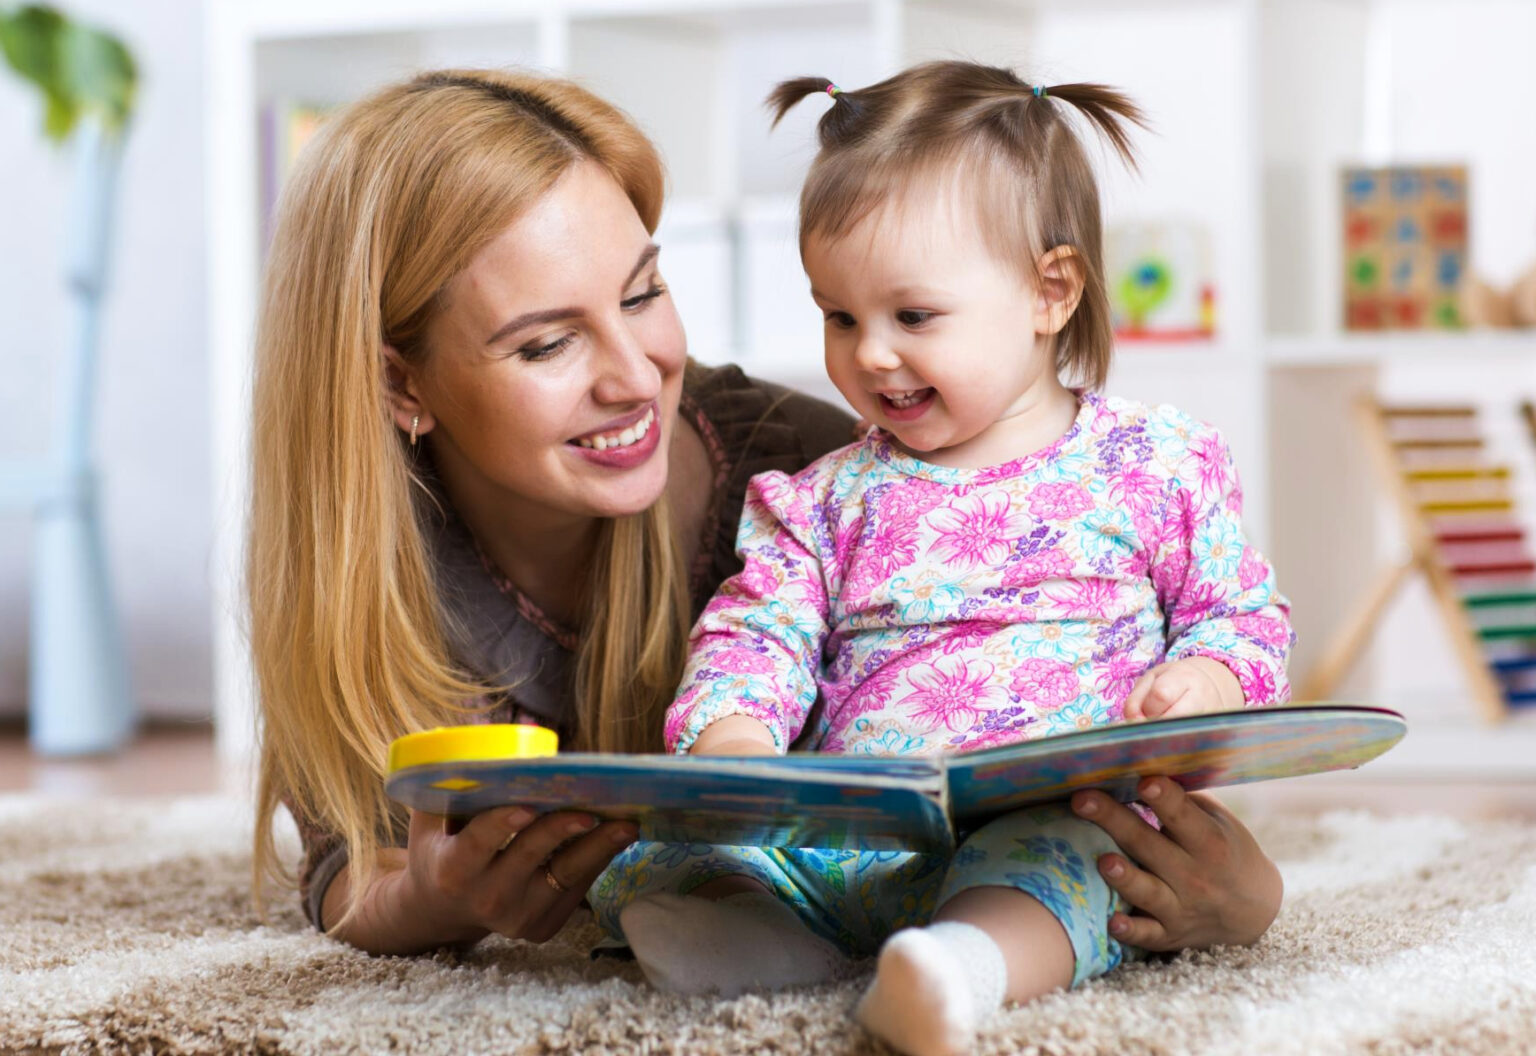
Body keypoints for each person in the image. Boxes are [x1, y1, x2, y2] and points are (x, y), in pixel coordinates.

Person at [246, 66, 1285, 969]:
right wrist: (429, 902)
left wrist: (1244, 897)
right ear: (399, 385)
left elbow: (1217, 633)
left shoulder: (796, 455)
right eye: (545, 344)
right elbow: (349, 857)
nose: (634, 374)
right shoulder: (364, 552)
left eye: (644, 292)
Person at [594, 61, 1293, 1056]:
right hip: (861, 828)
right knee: (689, 854)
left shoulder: (1156, 462)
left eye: (911, 317)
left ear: (1049, 291)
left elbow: (1242, 612)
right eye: (840, 317)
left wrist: (1209, 676)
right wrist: (738, 735)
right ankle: (758, 940)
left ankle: (961, 971)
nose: (870, 354)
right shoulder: (824, 495)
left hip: (1056, 811)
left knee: (1067, 868)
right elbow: (758, 628)